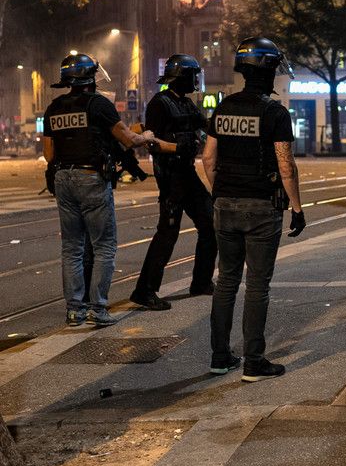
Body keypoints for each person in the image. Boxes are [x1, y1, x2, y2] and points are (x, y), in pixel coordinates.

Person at [202, 37, 306, 380]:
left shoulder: (224, 107)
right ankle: (254, 361)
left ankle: (220, 356)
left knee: (226, 281)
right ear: (270, 71)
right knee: (258, 285)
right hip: (261, 207)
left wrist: (220, 192)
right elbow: (285, 165)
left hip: (225, 205)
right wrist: (297, 207)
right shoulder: (275, 112)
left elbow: (208, 158)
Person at [43, 53, 156, 327]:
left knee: (72, 247)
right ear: (90, 78)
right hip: (91, 177)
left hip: (63, 179)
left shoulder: (54, 108)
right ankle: (99, 308)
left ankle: (75, 310)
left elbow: (49, 154)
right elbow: (127, 139)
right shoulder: (98, 104)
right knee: (104, 245)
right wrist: (146, 136)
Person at [130, 54, 217, 310]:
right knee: (167, 234)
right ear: (182, 77)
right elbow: (151, 143)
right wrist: (179, 147)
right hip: (170, 177)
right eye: (193, 76)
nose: (196, 80)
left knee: (210, 224)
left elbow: (207, 125)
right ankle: (144, 291)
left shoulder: (186, 103)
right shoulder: (160, 104)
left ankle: (201, 281)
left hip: (187, 174)